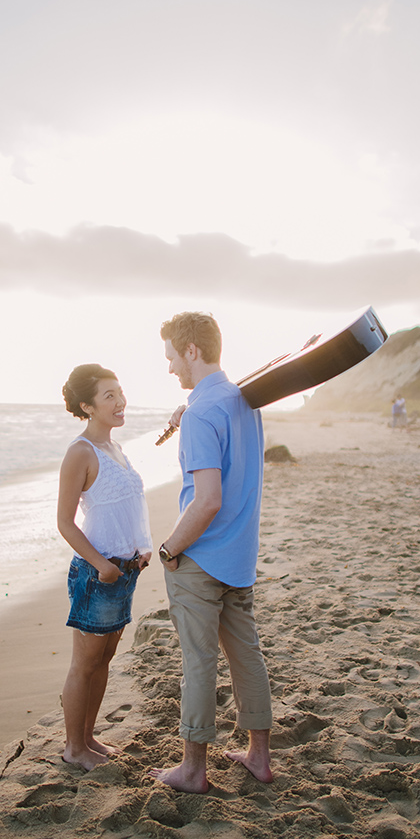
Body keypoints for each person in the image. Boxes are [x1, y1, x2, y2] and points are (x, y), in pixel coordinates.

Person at [150, 312, 273, 794]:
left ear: (191, 351)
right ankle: (259, 757)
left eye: (171, 358)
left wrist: (169, 548)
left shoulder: (203, 412)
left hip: (200, 558)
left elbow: (207, 500)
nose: (169, 368)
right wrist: (190, 410)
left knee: (199, 661)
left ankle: (193, 769)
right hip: (240, 555)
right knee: (246, 654)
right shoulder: (245, 399)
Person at [57, 364, 152, 771]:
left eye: (120, 392)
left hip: (125, 571)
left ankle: (89, 737)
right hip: (98, 576)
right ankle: (73, 748)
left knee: (104, 660)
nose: (120, 401)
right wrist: (102, 566)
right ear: (87, 406)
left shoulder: (117, 449)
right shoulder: (81, 452)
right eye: (108, 396)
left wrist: (143, 548)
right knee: (85, 663)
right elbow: (64, 521)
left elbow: (129, 508)